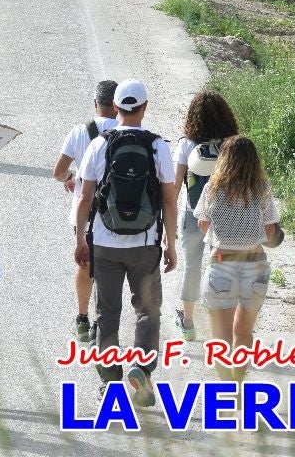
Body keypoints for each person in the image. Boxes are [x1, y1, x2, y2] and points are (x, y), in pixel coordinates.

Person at [74, 79, 178, 408]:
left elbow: (85, 197)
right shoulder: (158, 146)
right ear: (145, 108)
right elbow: (170, 200)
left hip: (105, 243)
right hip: (145, 244)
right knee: (148, 312)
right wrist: (170, 244)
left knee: (107, 312)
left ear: (115, 108)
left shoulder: (98, 144)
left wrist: (80, 239)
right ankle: (142, 373)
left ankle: (109, 382)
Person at [194, 136, 278, 382]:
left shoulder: (213, 187)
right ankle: (239, 383)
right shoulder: (262, 189)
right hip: (255, 264)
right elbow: (270, 231)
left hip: (222, 263)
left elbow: (202, 223)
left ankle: (227, 388)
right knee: (243, 332)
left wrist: (223, 232)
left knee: (220, 336)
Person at [52, 80, 118, 343]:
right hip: (116, 216)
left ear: (95, 104)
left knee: (86, 264)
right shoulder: (127, 132)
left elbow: (57, 172)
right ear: (117, 105)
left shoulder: (80, 132)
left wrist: (72, 177)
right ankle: (101, 326)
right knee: (110, 270)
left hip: (85, 213)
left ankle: (82, 318)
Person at [172, 90, 240, 342]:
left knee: (192, 266)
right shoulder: (233, 144)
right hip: (227, 215)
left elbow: (175, 184)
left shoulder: (187, 145)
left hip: (192, 214)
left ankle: (188, 323)